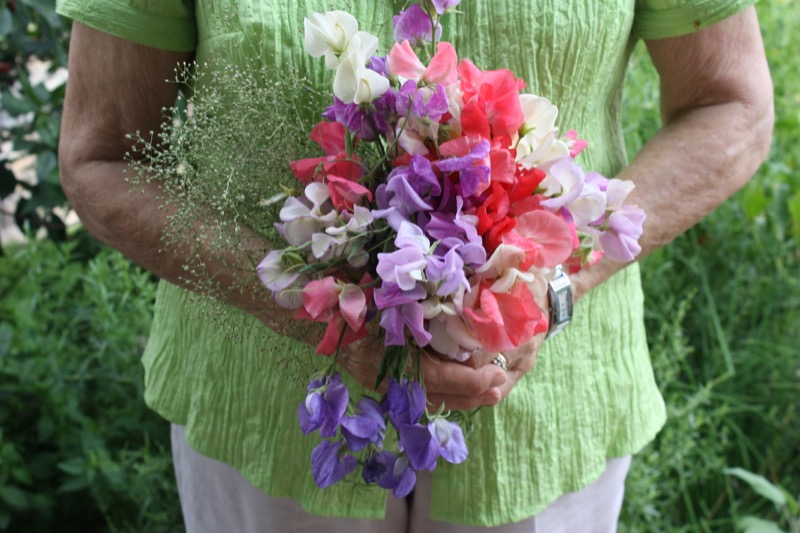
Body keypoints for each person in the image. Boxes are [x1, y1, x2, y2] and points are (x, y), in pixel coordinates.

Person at [56, 0, 773, 531]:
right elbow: (101, 158)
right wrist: (324, 312)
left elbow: (731, 103)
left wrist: (549, 285)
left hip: (545, 419)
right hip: (269, 417)